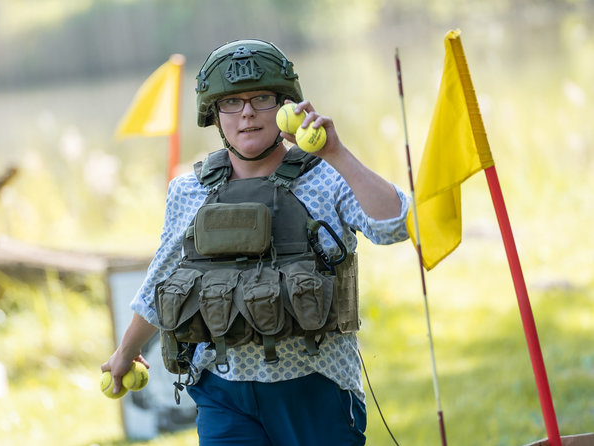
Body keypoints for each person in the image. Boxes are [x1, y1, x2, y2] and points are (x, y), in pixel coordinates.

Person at [101, 39, 410, 446]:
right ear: (214, 115)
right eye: (231, 102)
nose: (246, 112)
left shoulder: (325, 176)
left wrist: (337, 154)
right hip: (223, 391)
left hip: (316, 386)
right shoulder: (189, 190)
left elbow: (396, 225)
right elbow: (161, 280)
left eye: (261, 98)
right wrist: (125, 353)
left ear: (285, 107)